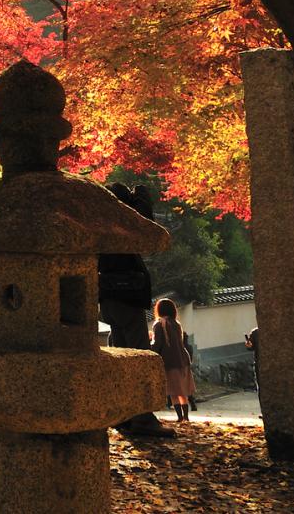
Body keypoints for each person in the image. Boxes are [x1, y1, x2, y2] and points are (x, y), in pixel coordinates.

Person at [100, 185, 174, 437]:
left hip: (108, 298)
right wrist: (141, 193)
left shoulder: (98, 220)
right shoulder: (121, 225)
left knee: (122, 358)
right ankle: (142, 418)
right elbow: (147, 229)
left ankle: (124, 415)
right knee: (140, 357)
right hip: (126, 298)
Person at [153, 297, 196, 422]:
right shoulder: (176, 324)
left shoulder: (159, 324)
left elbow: (158, 344)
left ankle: (179, 417)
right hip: (183, 359)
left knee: (173, 390)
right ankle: (186, 416)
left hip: (169, 361)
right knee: (182, 390)